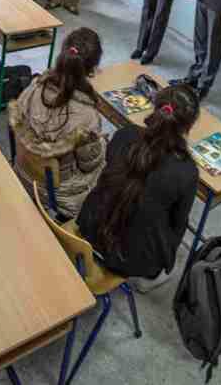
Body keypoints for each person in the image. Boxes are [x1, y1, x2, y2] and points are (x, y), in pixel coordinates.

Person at [77, 85, 200, 294]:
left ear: (156, 106)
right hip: (127, 260)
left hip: (88, 228)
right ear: (188, 126)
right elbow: (178, 224)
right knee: (171, 244)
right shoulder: (186, 171)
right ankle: (145, 279)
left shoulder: (125, 134)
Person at [9, 28, 106, 219]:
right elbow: (89, 165)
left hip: (22, 171)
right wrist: (101, 145)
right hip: (56, 193)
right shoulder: (88, 116)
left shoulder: (34, 86)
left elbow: (17, 122)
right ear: (93, 69)